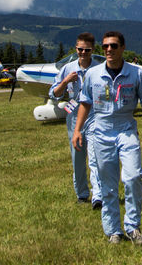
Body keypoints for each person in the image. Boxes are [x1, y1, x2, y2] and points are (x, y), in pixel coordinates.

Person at [72, 31, 142, 245]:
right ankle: (113, 230)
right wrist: (77, 130)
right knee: (107, 184)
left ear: (122, 48)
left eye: (113, 46)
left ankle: (132, 227)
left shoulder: (137, 74)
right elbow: (85, 103)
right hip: (101, 131)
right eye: (105, 47)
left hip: (126, 129)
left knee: (132, 177)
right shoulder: (92, 75)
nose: (109, 50)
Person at [50, 32, 101, 207]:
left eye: (87, 50)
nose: (83, 53)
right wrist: (65, 82)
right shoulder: (67, 68)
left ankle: (98, 194)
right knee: (77, 157)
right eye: (80, 49)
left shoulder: (99, 69)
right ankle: (82, 194)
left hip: (94, 115)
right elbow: (54, 93)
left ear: (92, 50)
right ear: (76, 48)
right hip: (74, 115)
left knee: (96, 155)